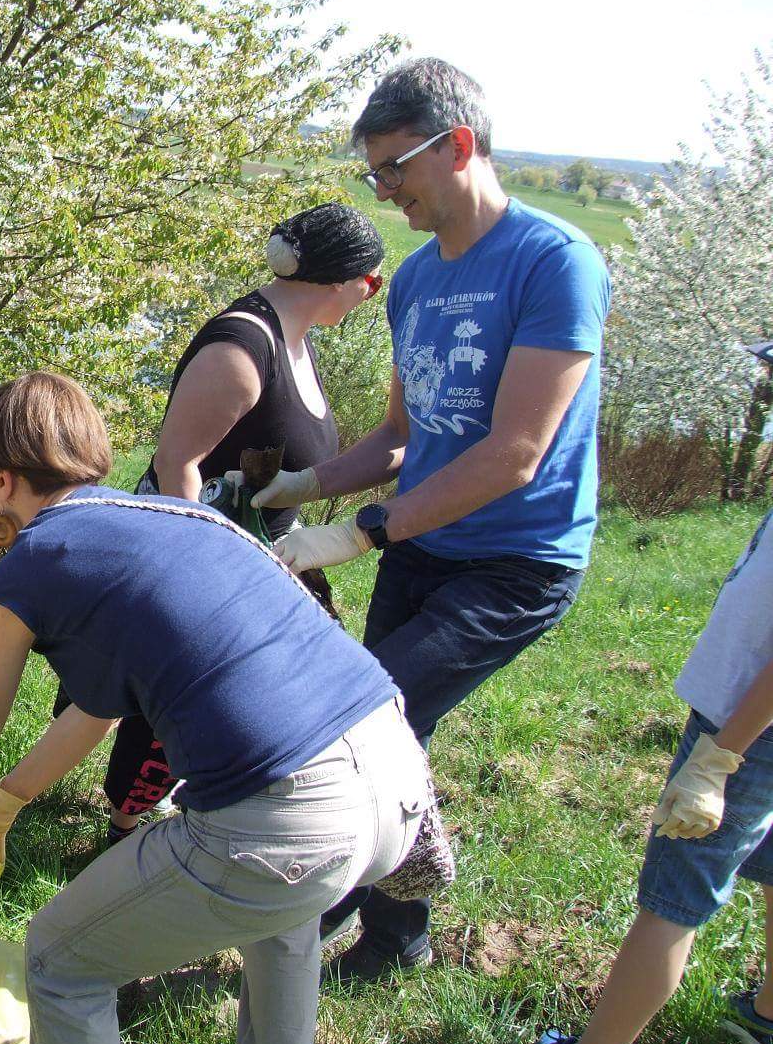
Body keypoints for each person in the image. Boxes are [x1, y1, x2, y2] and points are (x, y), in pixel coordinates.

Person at [0, 371, 431, 1044]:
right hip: (396, 781)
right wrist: (7, 801)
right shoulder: (180, 517)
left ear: (4, 479)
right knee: (285, 916)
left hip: (293, 820)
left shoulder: (30, 566)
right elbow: (98, 709)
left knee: (55, 962)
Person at [249, 58, 611, 982]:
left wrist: (359, 533)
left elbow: (513, 453)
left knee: (368, 718)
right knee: (392, 731)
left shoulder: (552, 263)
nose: (382, 191)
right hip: (422, 544)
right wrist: (306, 483)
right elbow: (406, 437)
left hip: (513, 561)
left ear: (455, 146)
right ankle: (364, 913)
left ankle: (369, 927)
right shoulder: (411, 281)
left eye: (392, 169)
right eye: (371, 174)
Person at [68, 203, 385, 850]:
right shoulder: (241, 347)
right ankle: (124, 832)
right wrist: (203, 580)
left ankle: (209, 815)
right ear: (341, 279)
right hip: (200, 554)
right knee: (164, 703)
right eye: (372, 282)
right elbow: (175, 464)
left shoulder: (294, 339)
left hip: (261, 555)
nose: (372, 296)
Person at [531, 537, 773, 1044]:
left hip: (745, 728)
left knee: (676, 897)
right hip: (750, 722)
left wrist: (722, 755)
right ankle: (769, 1014)